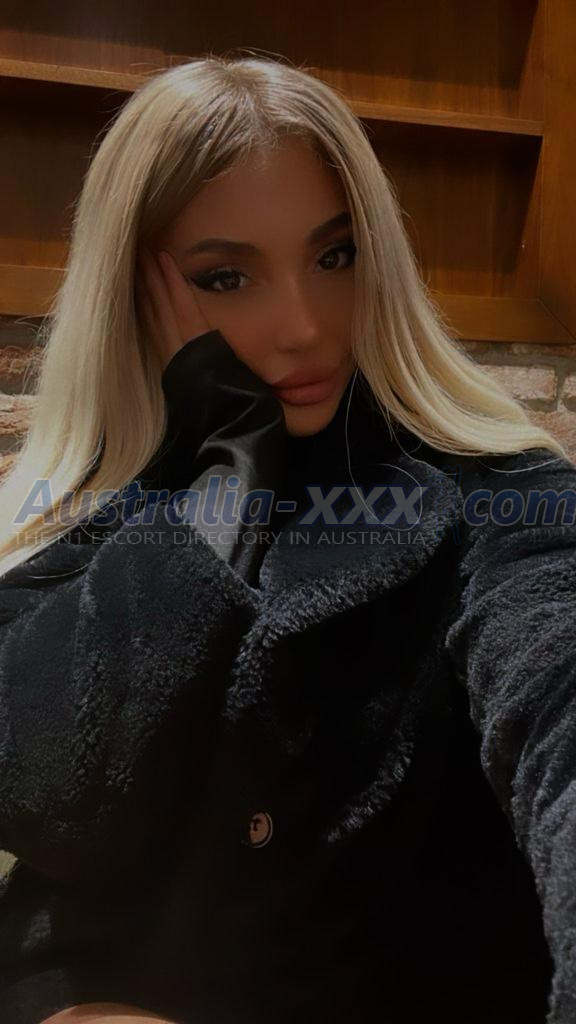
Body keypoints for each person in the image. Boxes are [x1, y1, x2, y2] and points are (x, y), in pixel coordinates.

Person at [0, 53, 574, 1024]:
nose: (303, 325)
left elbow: (556, 681)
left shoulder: (498, 492)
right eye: (226, 276)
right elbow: (48, 785)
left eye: (335, 256)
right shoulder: (93, 512)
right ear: (135, 293)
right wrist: (228, 473)